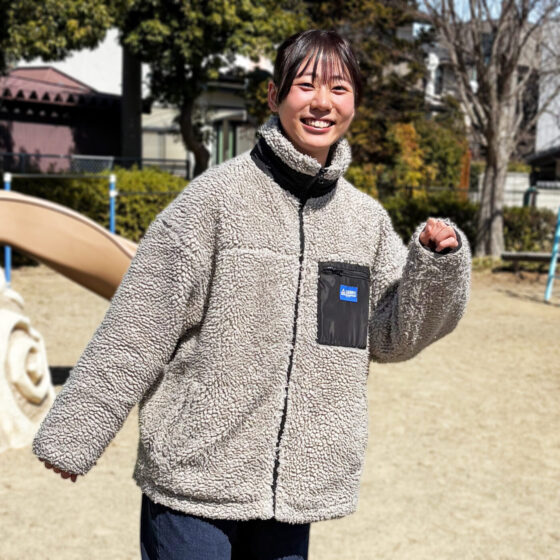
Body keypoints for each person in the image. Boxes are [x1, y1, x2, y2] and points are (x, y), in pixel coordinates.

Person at [34, 29, 471, 560]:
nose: (322, 103)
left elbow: (387, 337)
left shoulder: (364, 222)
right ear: (273, 95)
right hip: (193, 484)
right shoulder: (213, 201)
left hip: (294, 496)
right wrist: (77, 432)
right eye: (305, 85)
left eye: (339, 89)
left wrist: (434, 269)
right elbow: (139, 324)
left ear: (355, 102)